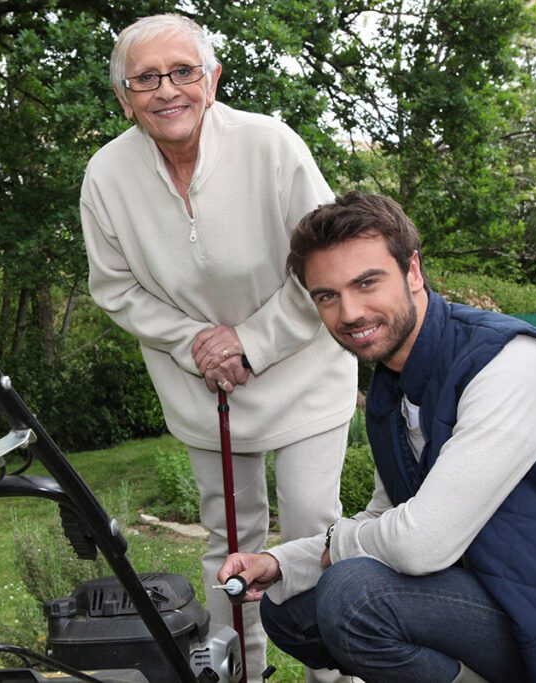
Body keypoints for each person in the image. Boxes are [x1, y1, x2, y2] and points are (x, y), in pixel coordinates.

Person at [219, 192, 536, 683]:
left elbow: (421, 543)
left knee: (355, 594)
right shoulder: (393, 386)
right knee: (291, 607)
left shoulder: (510, 362)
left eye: (367, 283)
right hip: (505, 601)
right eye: (328, 296)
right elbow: (388, 516)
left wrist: (336, 547)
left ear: (413, 272)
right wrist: (282, 562)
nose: (350, 312)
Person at [79, 14, 358, 681]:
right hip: (203, 383)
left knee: (313, 530)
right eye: (145, 78)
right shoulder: (106, 175)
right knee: (227, 540)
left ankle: (338, 671)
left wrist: (250, 342)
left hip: (301, 370)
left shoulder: (271, 145)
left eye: (183, 71)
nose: (166, 89)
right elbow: (114, 287)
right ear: (124, 97)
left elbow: (326, 261)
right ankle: (239, 673)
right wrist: (195, 342)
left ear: (213, 79)